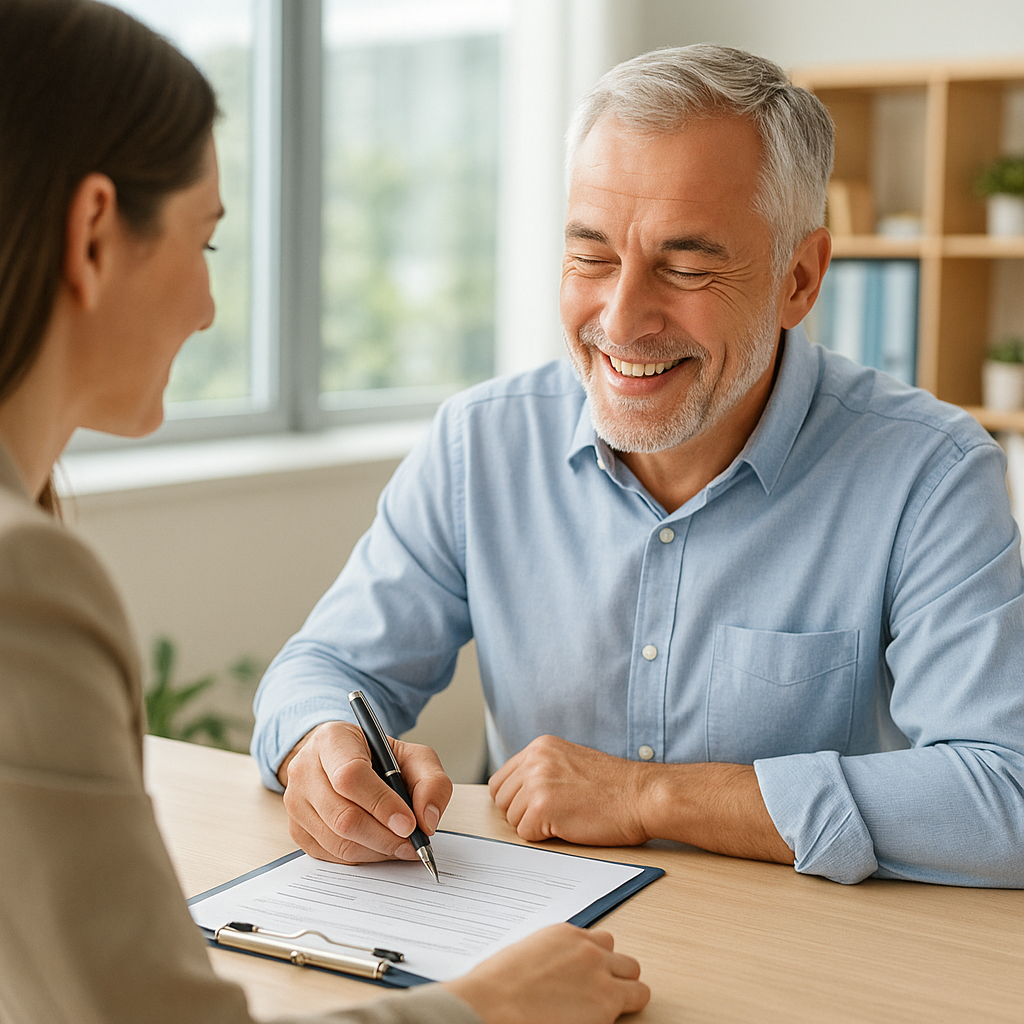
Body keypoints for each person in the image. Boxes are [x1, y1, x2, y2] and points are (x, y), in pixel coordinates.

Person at [0, 2, 650, 1023]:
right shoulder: (21, 579)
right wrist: (486, 1008)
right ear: (92, 233)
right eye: (207, 244)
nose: (211, 311)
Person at [252, 43, 1024, 889]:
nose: (620, 320)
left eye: (685, 266)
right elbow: (326, 668)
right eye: (591, 257)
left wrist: (655, 796)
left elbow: (1004, 793)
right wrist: (319, 745)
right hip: (530, 954)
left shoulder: (932, 473)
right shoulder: (481, 443)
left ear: (798, 280)